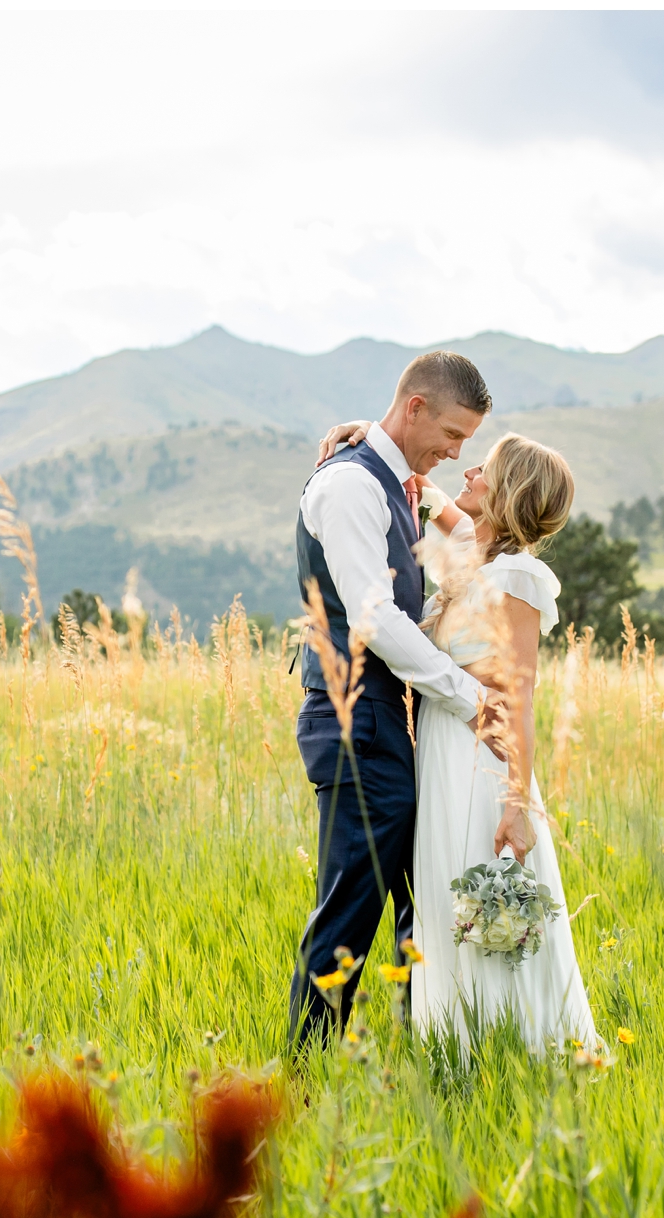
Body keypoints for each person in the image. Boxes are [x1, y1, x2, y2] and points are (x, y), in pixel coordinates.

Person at [312, 423, 601, 1057]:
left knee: (485, 904)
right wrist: (370, 434)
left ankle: (519, 1048)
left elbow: (520, 699)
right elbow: (419, 486)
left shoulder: (519, 577)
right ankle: (456, 1048)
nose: (468, 472)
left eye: (485, 470)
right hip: (440, 751)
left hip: (483, 764)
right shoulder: (476, 551)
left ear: (509, 493)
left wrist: (517, 805)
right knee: (447, 906)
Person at [285, 350, 506, 1050]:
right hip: (355, 719)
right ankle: (305, 1072)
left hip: (386, 720)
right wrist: (471, 697)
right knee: (350, 908)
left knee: (419, 892)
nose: (455, 451)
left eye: (466, 442)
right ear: (414, 408)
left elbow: (477, 529)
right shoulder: (351, 487)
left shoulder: (396, 479)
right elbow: (374, 617)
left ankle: (432, 1053)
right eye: (452, 435)